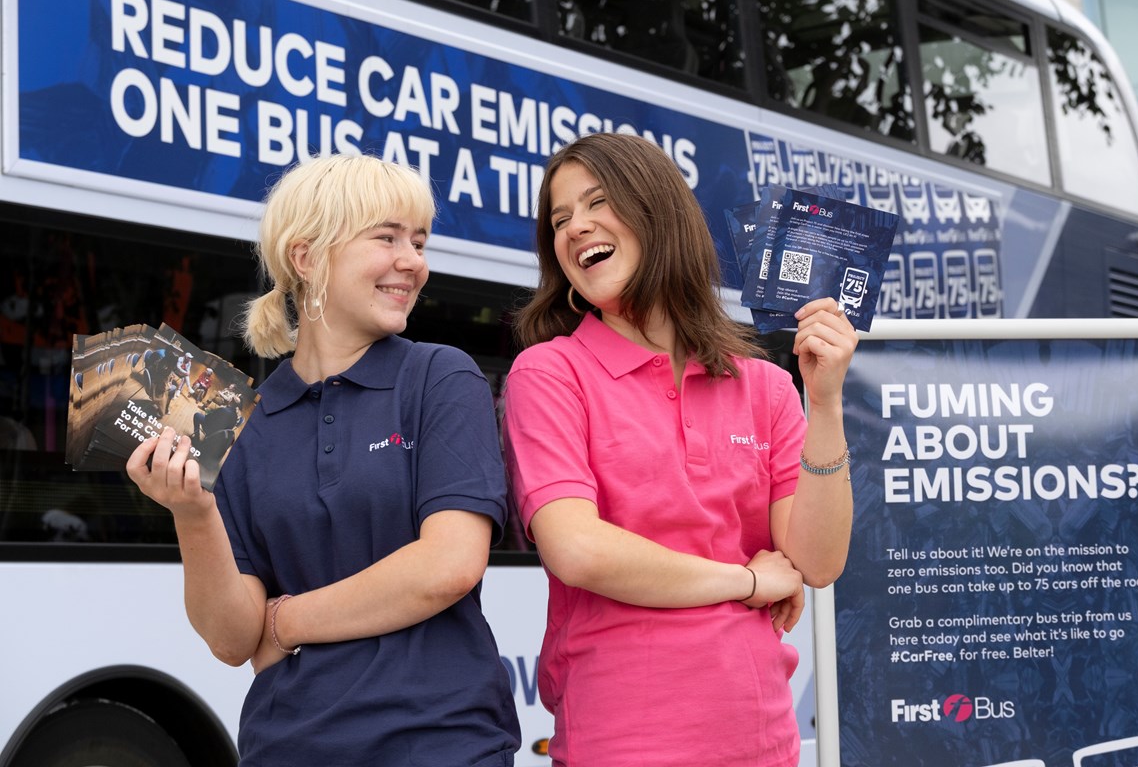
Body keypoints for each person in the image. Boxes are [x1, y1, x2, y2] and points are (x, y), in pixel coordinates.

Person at [125, 154, 521, 766]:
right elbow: (232, 639)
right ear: (307, 259)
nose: (413, 262)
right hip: (287, 745)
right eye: (386, 237)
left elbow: (448, 566)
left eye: (419, 241)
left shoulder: (439, 376)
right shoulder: (240, 423)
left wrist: (284, 622)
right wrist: (193, 511)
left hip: (441, 740)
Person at [501, 132, 856, 766]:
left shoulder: (768, 386)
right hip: (621, 737)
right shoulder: (548, 373)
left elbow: (818, 562)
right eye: (560, 220)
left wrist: (823, 403)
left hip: (762, 736)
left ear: (657, 212)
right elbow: (578, 550)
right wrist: (747, 580)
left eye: (596, 203)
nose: (576, 228)